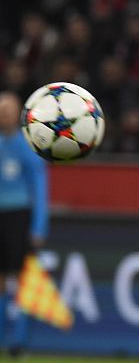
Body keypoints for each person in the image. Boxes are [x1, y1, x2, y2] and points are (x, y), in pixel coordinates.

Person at [0, 92, 49, 357]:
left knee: (22, 281)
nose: (4, 115)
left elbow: (39, 187)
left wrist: (38, 227)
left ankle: (18, 342)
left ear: (18, 113)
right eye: (1, 110)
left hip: (19, 217)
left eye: (8, 110)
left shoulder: (28, 146)